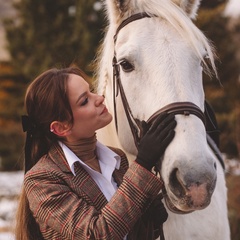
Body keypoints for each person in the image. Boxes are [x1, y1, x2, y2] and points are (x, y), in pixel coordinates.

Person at [15, 66, 176, 240]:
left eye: (91, 91)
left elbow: (125, 232)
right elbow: (97, 234)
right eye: (84, 101)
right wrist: (143, 163)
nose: (99, 98)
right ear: (61, 127)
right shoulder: (42, 180)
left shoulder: (117, 159)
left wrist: (148, 222)